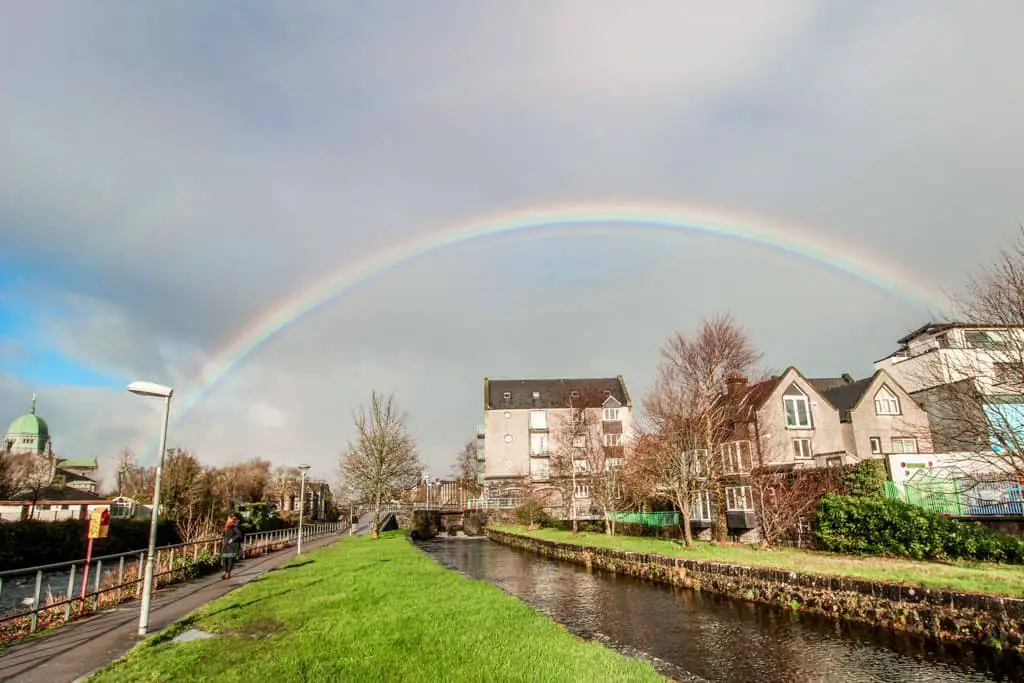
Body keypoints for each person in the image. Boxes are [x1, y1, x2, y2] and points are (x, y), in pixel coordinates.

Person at [220, 515, 243, 580]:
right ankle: (225, 571)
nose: (227, 520)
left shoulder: (234, 527)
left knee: (230, 559)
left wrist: (232, 539)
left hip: (232, 545)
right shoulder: (226, 526)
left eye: (228, 519)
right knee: (224, 558)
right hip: (226, 544)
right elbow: (225, 534)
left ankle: (228, 573)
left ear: (231, 519)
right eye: (227, 519)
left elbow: (239, 534)